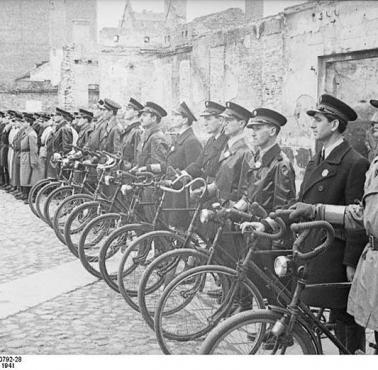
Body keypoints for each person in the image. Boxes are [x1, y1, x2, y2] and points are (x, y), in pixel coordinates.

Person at [164, 101, 203, 229]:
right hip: (174, 192)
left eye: (176, 116)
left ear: (185, 119)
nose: (172, 118)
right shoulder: (180, 138)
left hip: (182, 196)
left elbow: (195, 169)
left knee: (180, 230)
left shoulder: (191, 141)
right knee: (173, 228)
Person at [118, 98, 143, 170]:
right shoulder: (129, 130)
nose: (125, 111)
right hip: (123, 170)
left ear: (136, 112)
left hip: (130, 173)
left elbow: (138, 157)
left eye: (128, 109)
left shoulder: (137, 131)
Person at [19, 113, 39, 203]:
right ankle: (26, 194)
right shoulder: (27, 132)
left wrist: (33, 161)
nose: (23, 123)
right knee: (25, 176)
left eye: (24, 122)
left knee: (30, 176)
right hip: (24, 155)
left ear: (28, 123)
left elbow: (34, 149)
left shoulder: (31, 134)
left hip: (29, 156)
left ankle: (31, 196)